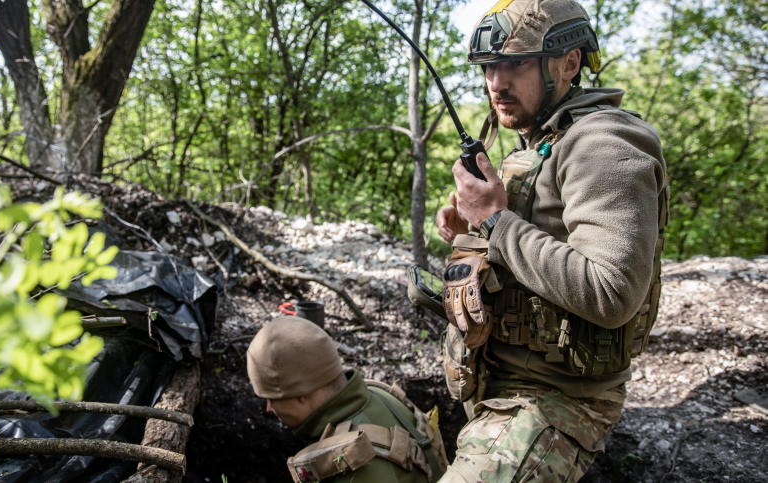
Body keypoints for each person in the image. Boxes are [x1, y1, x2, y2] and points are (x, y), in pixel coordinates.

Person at [434, 0, 669, 480]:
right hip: (500, 382)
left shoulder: (603, 143)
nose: (496, 83)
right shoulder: (542, 141)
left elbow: (611, 291)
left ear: (569, 62)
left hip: (557, 399)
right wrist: (474, 231)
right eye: (489, 67)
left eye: (515, 63)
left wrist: (497, 222)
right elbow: (534, 250)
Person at [245, 316, 447, 483]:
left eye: (271, 398)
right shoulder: (380, 393)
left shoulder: (356, 468)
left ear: (303, 393)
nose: (268, 408)